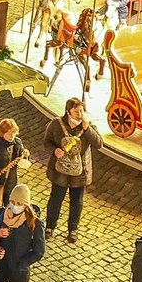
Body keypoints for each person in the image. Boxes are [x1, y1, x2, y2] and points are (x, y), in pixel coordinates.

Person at [41, 99, 102, 245]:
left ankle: (73, 229)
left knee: (77, 202)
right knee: (56, 199)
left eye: (81, 111)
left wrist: (88, 130)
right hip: (60, 170)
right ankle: (50, 226)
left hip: (80, 172)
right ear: (68, 112)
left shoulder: (88, 126)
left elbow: (98, 143)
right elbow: (46, 142)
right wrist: (54, 150)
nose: (80, 114)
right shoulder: (56, 124)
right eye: (76, 111)